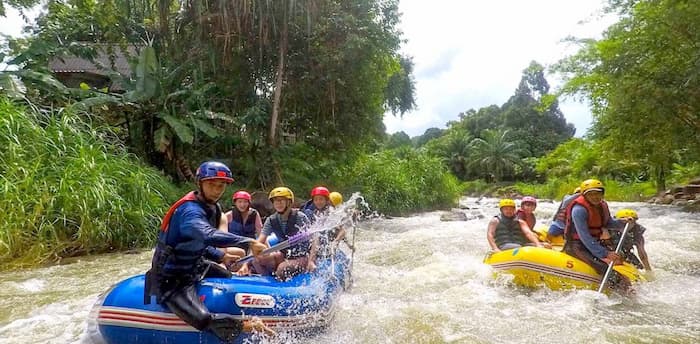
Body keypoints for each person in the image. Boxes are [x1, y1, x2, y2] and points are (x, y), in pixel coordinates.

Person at [144, 161, 272, 342]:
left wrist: (221, 255)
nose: (217, 190)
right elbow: (206, 234)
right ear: (200, 184)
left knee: (226, 275)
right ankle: (247, 326)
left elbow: (198, 244)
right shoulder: (189, 211)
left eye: (221, 185)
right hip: (171, 279)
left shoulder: (213, 207)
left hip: (195, 266)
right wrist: (248, 241)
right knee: (203, 319)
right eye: (211, 184)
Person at [563, 179, 633, 293]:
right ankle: (623, 294)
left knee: (620, 258)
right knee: (606, 269)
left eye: (598, 193)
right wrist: (605, 254)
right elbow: (584, 237)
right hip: (577, 246)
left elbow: (608, 222)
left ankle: (626, 291)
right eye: (591, 194)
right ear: (585, 195)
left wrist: (622, 222)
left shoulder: (601, 205)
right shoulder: (579, 209)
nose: (595, 197)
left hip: (593, 243)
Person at [250, 187, 317, 281]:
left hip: (302, 256)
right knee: (257, 261)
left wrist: (311, 261)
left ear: (289, 202)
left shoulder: (299, 217)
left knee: (282, 268)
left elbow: (314, 239)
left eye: (281, 201)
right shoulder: (271, 220)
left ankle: (279, 283)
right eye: (276, 201)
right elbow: (259, 242)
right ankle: (267, 282)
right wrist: (245, 264)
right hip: (285, 255)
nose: (278, 204)